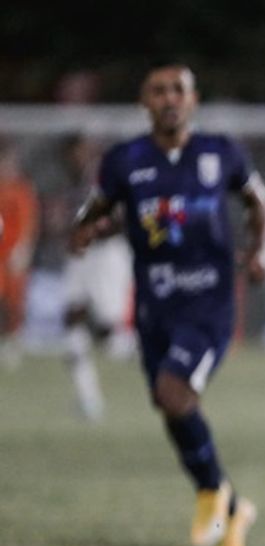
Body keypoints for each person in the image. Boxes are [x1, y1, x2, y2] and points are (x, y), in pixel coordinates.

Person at [71, 62, 265, 546]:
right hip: (154, 304)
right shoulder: (124, 161)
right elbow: (101, 211)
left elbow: (257, 200)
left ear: (193, 100)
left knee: (174, 392)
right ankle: (231, 503)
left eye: (178, 90)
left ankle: (212, 497)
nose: (169, 99)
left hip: (208, 301)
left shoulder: (219, 153)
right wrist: (86, 230)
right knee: (170, 404)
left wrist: (259, 251)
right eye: (158, 91)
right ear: (145, 102)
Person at [45, 135, 135, 421]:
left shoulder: (104, 176)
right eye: (72, 153)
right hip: (81, 258)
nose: (76, 158)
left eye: (79, 151)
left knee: (111, 336)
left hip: (107, 256)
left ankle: (162, 356)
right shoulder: (71, 183)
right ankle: (88, 399)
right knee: (72, 318)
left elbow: (122, 218)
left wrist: (90, 227)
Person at [0, 142, 40, 370]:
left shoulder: (21, 190)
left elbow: (28, 222)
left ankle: (14, 341)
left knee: (14, 300)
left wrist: (23, 248)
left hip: (13, 253)